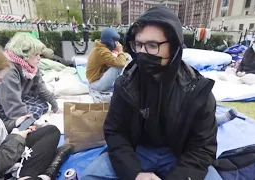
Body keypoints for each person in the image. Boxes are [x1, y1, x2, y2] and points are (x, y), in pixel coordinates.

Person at [81, 6, 218, 180]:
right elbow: (115, 132)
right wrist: (134, 173)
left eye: (153, 45)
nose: (143, 53)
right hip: (137, 150)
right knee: (90, 176)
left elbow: (202, 148)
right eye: (138, 44)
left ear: (174, 47)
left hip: (179, 155)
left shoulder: (198, 91)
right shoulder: (125, 85)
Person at [0, 37, 70, 180]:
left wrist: (15, 124)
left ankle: (34, 172)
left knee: (50, 130)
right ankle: (43, 173)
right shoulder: (8, 76)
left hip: (1, 146)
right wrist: (15, 140)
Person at [0, 32, 60, 121]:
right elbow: (12, 105)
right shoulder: (8, 71)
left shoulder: (30, 67)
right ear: (23, 54)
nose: (39, 58)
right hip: (1, 106)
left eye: (39, 54)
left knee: (44, 105)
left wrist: (54, 104)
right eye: (35, 54)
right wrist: (28, 124)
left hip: (18, 97)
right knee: (37, 110)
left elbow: (40, 87)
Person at [86, 28, 127, 92]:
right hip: (96, 85)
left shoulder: (100, 48)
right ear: (110, 41)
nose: (117, 43)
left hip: (94, 81)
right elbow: (121, 63)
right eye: (115, 41)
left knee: (117, 61)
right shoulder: (102, 51)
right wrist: (120, 50)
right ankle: (125, 83)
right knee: (118, 66)